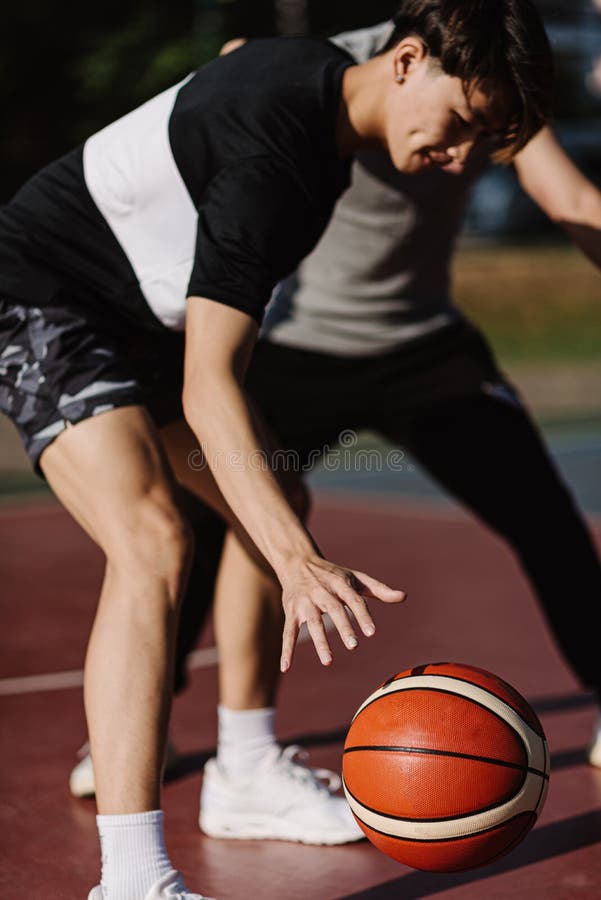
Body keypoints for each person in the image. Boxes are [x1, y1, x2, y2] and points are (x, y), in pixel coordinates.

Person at [0, 2, 554, 897]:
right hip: (43, 295)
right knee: (154, 540)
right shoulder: (276, 157)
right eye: (459, 126)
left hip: (136, 311)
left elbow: (237, 54)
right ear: (406, 60)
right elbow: (208, 384)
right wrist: (295, 565)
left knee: (274, 503)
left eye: (481, 142)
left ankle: (245, 773)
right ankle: (132, 878)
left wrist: (283, 540)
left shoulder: (316, 95)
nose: (457, 159)